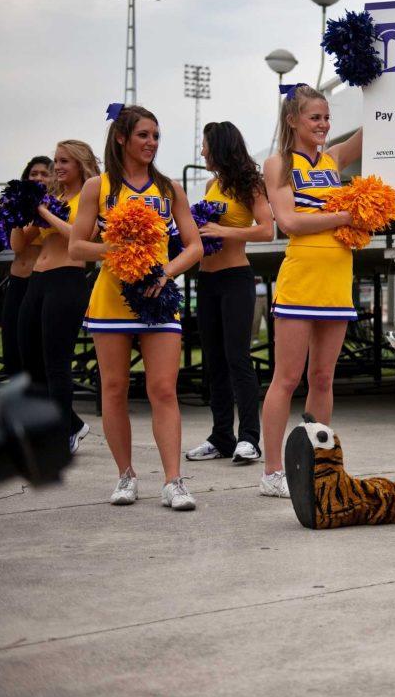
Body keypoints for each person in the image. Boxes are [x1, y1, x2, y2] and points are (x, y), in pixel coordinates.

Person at [69, 105, 203, 511]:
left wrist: (166, 271)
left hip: (159, 299)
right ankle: (125, 476)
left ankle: (173, 481)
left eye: (156, 136)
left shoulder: (169, 189)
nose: (152, 143)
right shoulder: (99, 187)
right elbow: (77, 246)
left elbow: (194, 246)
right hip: (111, 298)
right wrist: (117, 249)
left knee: (163, 388)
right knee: (114, 388)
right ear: (122, 138)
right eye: (144, 135)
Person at [259, 85, 364, 498]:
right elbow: (289, 222)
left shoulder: (334, 158)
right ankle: (271, 472)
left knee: (322, 377)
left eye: (326, 118)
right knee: (286, 378)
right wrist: (344, 215)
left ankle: (321, 464)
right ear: (292, 121)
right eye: (314, 118)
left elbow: (376, 127)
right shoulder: (278, 163)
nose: (322, 125)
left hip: (338, 276)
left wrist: (374, 79)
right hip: (302, 276)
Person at [184, 121, 274, 465]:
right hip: (207, 282)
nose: (202, 151)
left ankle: (249, 438)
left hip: (236, 278)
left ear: (219, 146)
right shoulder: (211, 184)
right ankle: (221, 436)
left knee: (237, 358)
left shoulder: (250, 185)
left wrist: (223, 230)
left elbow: (267, 230)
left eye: (206, 145)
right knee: (214, 361)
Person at [17, 141, 99, 453]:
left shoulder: (87, 197)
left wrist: (44, 213)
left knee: (56, 360)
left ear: (80, 165)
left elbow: (81, 237)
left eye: (65, 161)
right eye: (56, 161)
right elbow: (20, 245)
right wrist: (19, 212)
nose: (58, 167)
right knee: (30, 356)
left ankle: (64, 430)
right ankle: (71, 423)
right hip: (37, 279)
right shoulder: (52, 199)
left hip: (67, 280)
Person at [0, 156, 51, 379]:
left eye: (44, 173)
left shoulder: (51, 206)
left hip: (39, 280)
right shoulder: (16, 203)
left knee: (34, 345)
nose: (38, 177)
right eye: (34, 174)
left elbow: (25, 239)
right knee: (12, 344)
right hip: (16, 278)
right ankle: (16, 401)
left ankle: (38, 399)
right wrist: (0, 223)